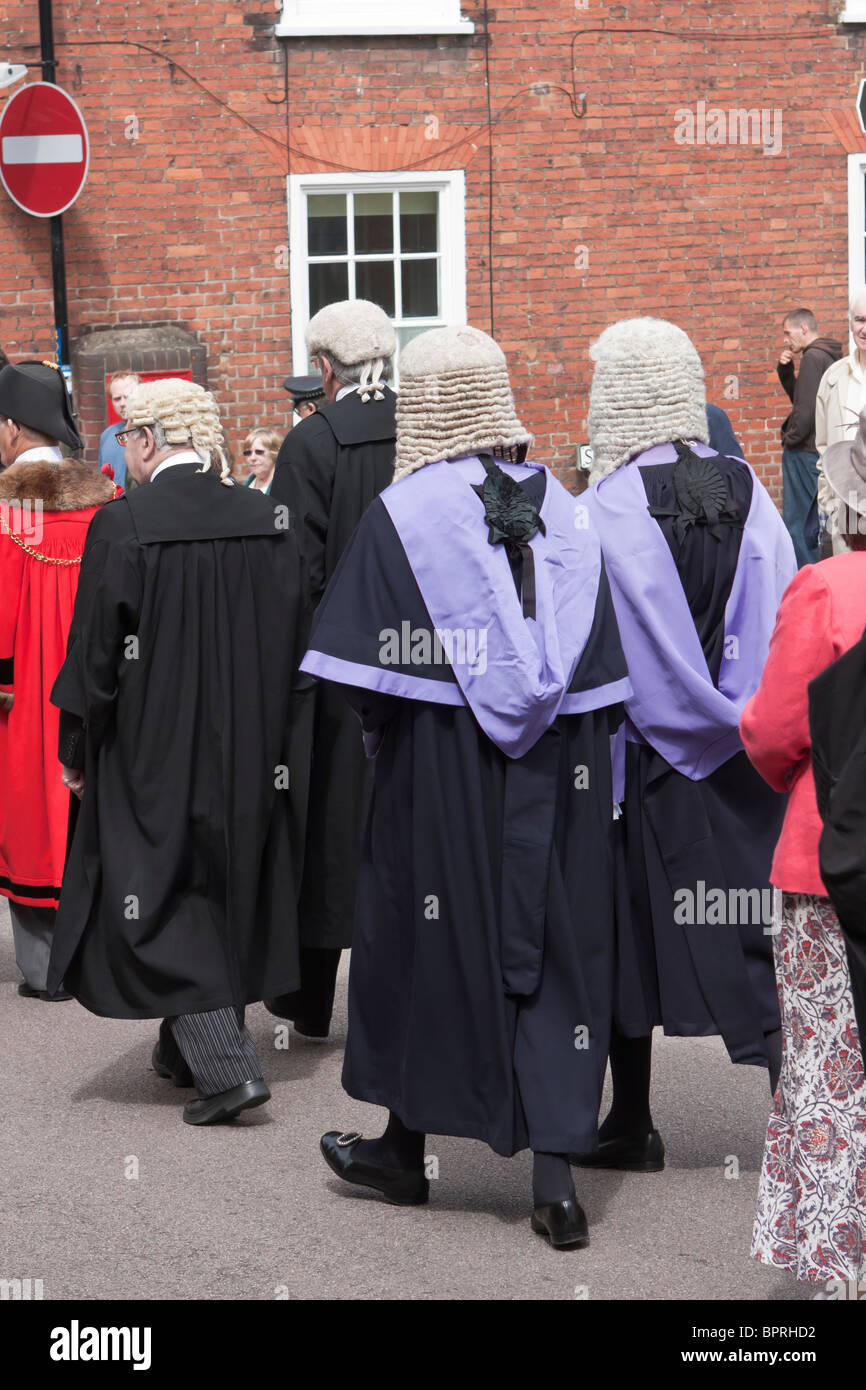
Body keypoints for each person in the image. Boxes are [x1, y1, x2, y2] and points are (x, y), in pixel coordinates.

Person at [304, 325, 631, 1248]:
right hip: (558, 772)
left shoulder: (404, 512)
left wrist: (388, 735)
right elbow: (600, 675)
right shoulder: (565, 509)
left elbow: (363, 678)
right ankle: (555, 1184)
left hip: (440, 770)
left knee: (427, 939)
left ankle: (406, 1153)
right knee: (555, 944)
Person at [47, 378, 311, 1124]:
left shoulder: (125, 525)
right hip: (256, 738)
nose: (121, 451)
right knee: (222, 877)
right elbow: (299, 630)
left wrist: (76, 742)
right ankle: (181, 1045)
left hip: (153, 741)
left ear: (151, 440)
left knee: (158, 885)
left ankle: (228, 1072)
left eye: (126, 437)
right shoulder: (268, 517)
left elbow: (97, 652)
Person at [578, 317, 797, 1175]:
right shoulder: (746, 486)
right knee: (753, 933)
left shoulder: (601, 512)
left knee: (623, 935)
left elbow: (593, 648)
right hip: (744, 752)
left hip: (642, 761)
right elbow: (783, 609)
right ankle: (810, 1132)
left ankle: (630, 1120)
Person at [741, 409, 866, 1296]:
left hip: (833, 864)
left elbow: (777, 733)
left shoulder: (829, 587)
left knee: (830, 1068)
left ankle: (840, 1265)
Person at [267, 301, 397, 1039]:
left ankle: (311, 1000)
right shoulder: (428, 429)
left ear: (325, 368)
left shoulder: (312, 444)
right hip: (426, 665)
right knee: (405, 830)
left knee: (326, 832)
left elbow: (294, 572)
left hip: (335, 671)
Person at [0, 361, 116, 1001]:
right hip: (99, 679)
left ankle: (47, 968)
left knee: (31, 809)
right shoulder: (106, 495)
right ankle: (99, 954)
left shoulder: (11, 506)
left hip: (31, 689)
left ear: (14, 429)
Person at [777, 309, 841, 567]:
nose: (785, 339)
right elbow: (804, 400)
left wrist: (790, 440)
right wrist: (786, 371)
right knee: (812, 524)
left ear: (803, 328)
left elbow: (805, 412)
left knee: (798, 525)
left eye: (787, 332)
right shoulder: (826, 355)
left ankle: (805, 584)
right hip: (814, 451)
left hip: (802, 452)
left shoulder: (813, 357)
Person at [815, 287, 866, 556]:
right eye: (860, 320)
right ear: (850, 322)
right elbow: (824, 451)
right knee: (851, 592)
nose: (865, 329)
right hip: (848, 511)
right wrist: (832, 506)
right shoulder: (833, 378)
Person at [97, 372, 141, 488]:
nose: (122, 403)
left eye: (127, 397)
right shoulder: (107, 435)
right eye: (117, 399)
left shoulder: (151, 432)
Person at [241, 427, 280, 493]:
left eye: (259, 452)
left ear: (274, 453)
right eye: (248, 453)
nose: (252, 458)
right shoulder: (247, 485)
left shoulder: (283, 485)